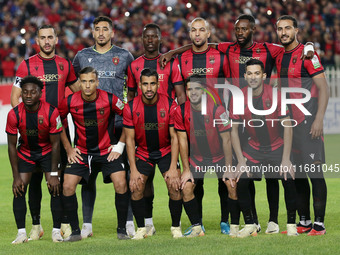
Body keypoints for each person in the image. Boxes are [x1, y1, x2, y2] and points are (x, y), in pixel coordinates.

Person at [160, 14, 315, 234]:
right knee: (236, 174)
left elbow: (292, 47)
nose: (240, 32)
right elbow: (202, 42)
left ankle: (270, 220)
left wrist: (309, 46)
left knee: (267, 175)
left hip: (253, 116)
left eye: (244, 29)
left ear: (253, 29)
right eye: (237, 29)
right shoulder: (227, 49)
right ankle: (247, 221)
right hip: (232, 117)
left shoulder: (268, 49)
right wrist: (173, 52)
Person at [10, 24, 78, 240]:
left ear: (56, 39)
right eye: (42, 38)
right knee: (35, 183)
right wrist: (21, 123)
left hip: (61, 131)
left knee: (59, 181)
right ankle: (36, 225)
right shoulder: (26, 65)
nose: (47, 41)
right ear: (37, 41)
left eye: (50, 37)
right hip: (32, 133)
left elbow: (77, 93)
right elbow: (15, 96)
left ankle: (63, 224)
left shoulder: (65, 65)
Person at [72, 16, 135, 238]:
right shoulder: (81, 56)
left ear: (112, 32)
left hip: (119, 127)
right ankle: (86, 225)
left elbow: (134, 86)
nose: (101, 33)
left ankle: (128, 222)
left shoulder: (124, 56)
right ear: (93, 32)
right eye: (97, 29)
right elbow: (73, 85)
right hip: (89, 127)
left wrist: (130, 111)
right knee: (88, 177)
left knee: (124, 176)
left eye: (104, 29)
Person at [127, 23, 186, 236]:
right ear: (142, 39)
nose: (150, 40)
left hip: (166, 132)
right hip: (143, 137)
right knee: (141, 184)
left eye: (154, 37)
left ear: (160, 39)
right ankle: (146, 226)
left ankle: (176, 227)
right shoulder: (134, 66)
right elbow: (131, 97)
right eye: (146, 37)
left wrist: (181, 123)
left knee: (175, 183)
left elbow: (181, 96)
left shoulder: (170, 62)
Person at [58, 66, 129, 242]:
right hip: (82, 153)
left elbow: (129, 117)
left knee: (121, 183)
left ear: (97, 82)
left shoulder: (110, 99)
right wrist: (68, 148)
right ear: (79, 83)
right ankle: (75, 232)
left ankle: (122, 230)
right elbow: (57, 122)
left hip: (107, 152)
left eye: (91, 81)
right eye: (84, 81)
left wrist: (119, 146)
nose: (88, 85)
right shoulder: (69, 101)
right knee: (67, 186)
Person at [228, 59, 297, 237]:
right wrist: (241, 161)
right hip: (254, 147)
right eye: (249, 73)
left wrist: (286, 159)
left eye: (257, 73)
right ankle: (251, 223)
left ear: (264, 76)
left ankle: (290, 225)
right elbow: (233, 131)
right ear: (244, 76)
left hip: (276, 146)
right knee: (241, 179)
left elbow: (288, 126)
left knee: (287, 176)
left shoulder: (275, 95)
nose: (253, 77)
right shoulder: (239, 97)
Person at [276, 15, 329, 236]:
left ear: (296, 30)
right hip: (289, 127)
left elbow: (324, 88)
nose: (283, 32)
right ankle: (304, 221)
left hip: (308, 124)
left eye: (288, 28)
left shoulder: (309, 55)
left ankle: (319, 224)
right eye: (280, 29)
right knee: (295, 175)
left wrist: (318, 119)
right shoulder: (279, 55)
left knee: (314, 174)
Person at [6, 75, 63, 244]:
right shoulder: (14, 114)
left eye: (33, 92)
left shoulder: (52, 112)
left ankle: (56, 232)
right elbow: (11, 146)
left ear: (40, 93)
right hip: (26, 153)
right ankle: (21, 233)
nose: (28, 95)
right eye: (25, 92)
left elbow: (55, 146)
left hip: (47, 153)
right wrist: (16, 176)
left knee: (55, 187)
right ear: (21, 94)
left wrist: (53, 173)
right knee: (19, 189)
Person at [174, 75, 233, 237]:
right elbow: (182, 142)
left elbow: (227, 141)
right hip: (197, 158)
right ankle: (197, 226)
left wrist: (228, 168)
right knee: (187, 187)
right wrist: (186, 169)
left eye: (197, 89)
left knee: (230, 185)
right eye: (189, 89)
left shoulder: (217, 109)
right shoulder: (181, 110)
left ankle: (226, 222)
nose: (193, 92)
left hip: (219, 155)